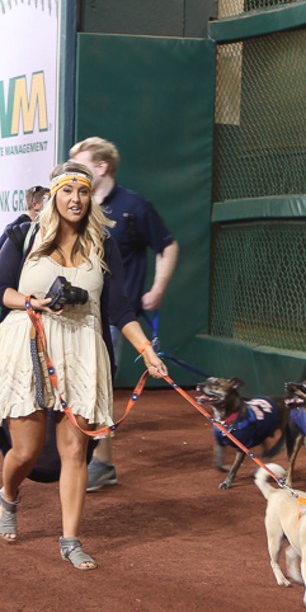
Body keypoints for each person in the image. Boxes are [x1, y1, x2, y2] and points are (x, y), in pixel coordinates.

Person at [0, 161, 168, 570]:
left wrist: (147, 350)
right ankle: (8, 495)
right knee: (26, 451)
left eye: (82, 191)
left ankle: (71, 538)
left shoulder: (103, 243)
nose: (75, 199)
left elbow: (118, 307)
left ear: (90, 198)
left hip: (82, 347)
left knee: (75, 449)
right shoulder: (25, 235)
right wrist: (31, 301)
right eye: (67, 191)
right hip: (28, 341)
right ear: (54, 195)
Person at [67, 136, 179, 492]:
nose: (74, 173)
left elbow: (167, 245)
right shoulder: (76, 205)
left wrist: (157, 289)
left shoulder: (133, 206)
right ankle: (77, 454)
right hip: (74, 313)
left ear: (101, 167)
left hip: (114, 318)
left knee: (96, 386)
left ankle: (102, 462)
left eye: (81, 163)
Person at [0, 185, 49, 259]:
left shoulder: (41, 225)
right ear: (35, 205)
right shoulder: (16, 227)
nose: (51, 205)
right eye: (48, 201)